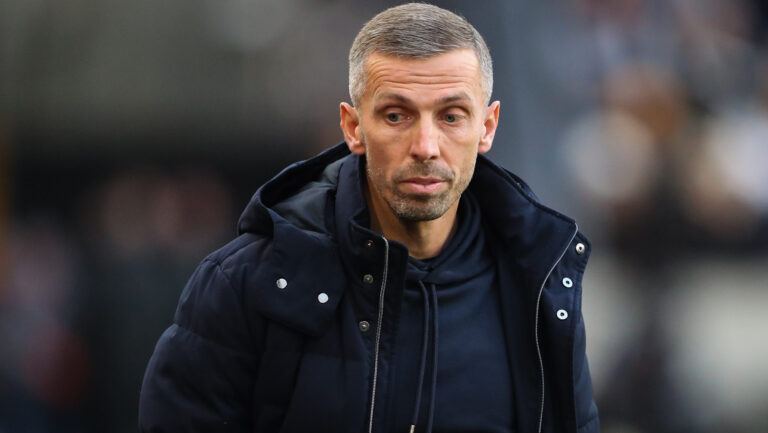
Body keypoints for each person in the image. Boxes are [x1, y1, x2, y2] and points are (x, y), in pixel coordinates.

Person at [138, 3, 599, 433]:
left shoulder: (539, 288)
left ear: (488, 127)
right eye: (397, 115)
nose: (426, 146)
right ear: (353, 127)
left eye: (452, 116)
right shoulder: (245, 284)